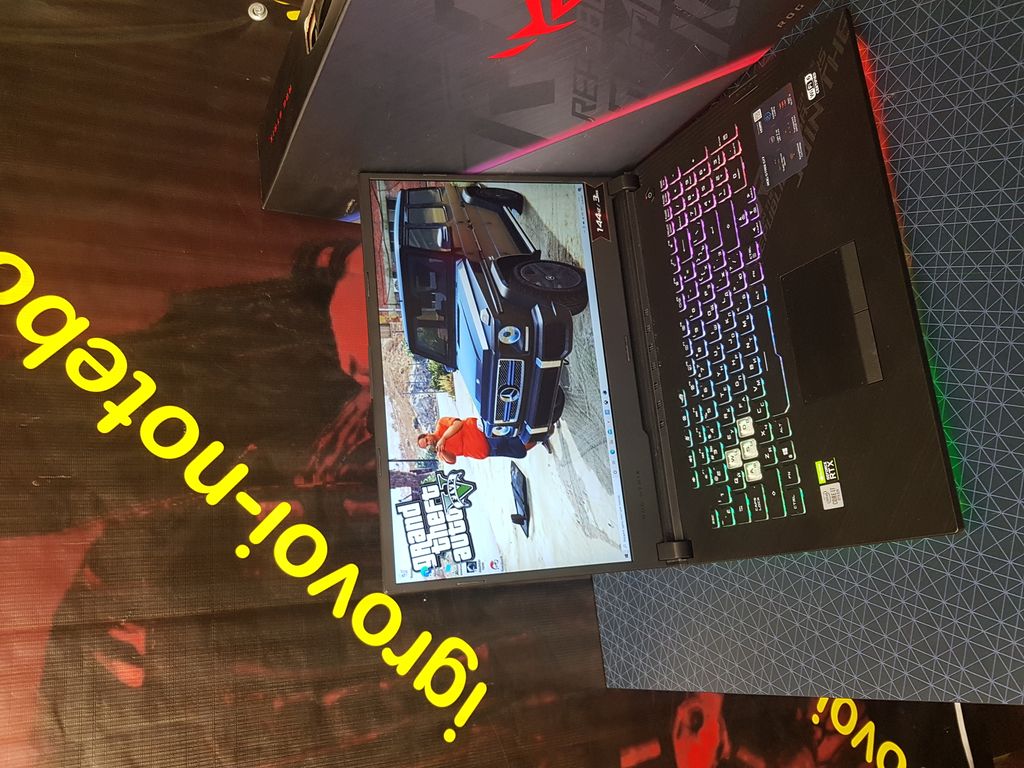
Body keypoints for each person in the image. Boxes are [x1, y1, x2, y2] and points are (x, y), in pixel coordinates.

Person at [416, 416, 545, 464]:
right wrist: (442, 451)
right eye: (426, 445)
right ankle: (540, 438)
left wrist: (444, 438)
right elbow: (452, 460)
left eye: (426, 440)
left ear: (427, 434)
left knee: (513, 433)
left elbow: (458, 423)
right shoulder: (440, 452)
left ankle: (539, 426)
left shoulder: (441, 424)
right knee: (518, 451)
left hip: (482, 432)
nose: (429, 443)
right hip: (484, 450)